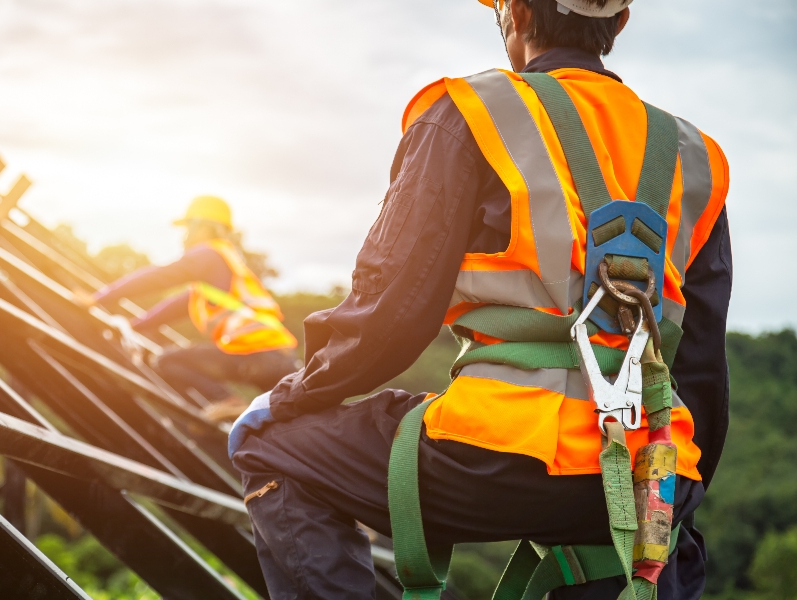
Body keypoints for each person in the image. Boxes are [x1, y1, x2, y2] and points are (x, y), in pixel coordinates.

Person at [229, 0, 732, 598]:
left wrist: (295, 395)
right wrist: (675, 491)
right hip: (648, 468)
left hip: (499, 454)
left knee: (267, 446)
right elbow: (700, 369)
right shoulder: (695, 157)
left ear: (515, 13)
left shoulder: (470, 114)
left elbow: (391, 314)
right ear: (619, 22)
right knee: (654, 547)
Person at [84, 195, 299, 420]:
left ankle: (227, 401)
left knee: (168, 360)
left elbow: (158, 277)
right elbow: (170, 308)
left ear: (202, 227)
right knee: (284, 424)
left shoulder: (208, 254)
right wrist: (133, 326)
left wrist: (99, 298)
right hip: (281, 359)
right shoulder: (219, 275)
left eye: (187, 227)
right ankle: (228, 411)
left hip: (255, 355)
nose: (184, 235)